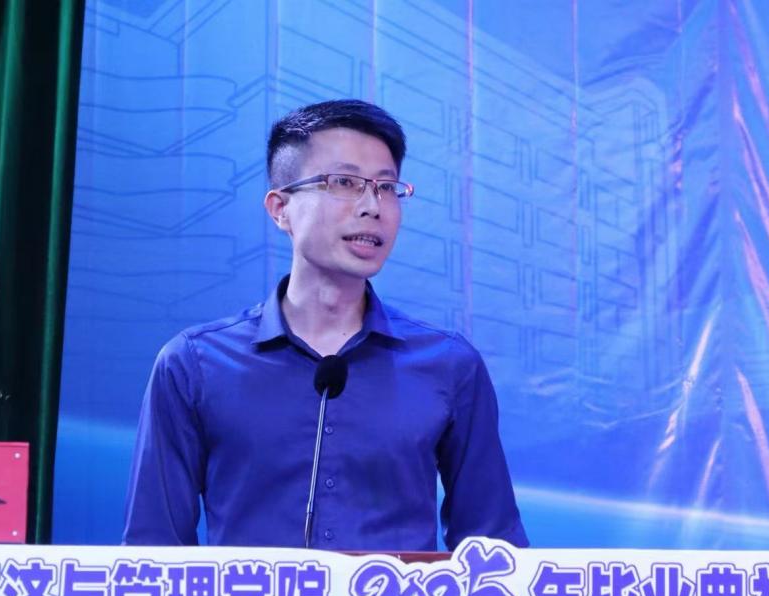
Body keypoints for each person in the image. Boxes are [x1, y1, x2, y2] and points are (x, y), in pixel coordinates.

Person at [123, 99, 528, 551]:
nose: (373, 206)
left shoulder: (449, 365)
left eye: (387, 187)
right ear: (280, 208)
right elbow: (151, 552)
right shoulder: (195, 364)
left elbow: (495, 554)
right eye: (344, 182)